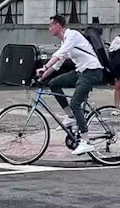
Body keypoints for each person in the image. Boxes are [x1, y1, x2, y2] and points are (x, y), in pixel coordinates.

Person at [36, 14, 104, 156]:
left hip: (92, 71)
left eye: (51, 25)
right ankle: (71, 116)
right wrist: (42, 77)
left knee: (75, 103)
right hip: (81, 71)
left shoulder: (72, 35)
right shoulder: (65, 42)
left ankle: (85, 142)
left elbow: (60, 54)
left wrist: (44, 66)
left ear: (58, 26)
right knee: (54, 83)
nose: (49, 29)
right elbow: (57, 66)